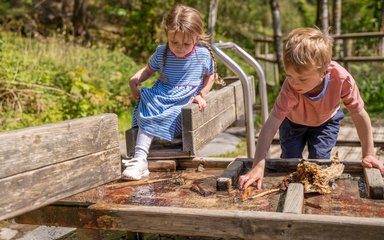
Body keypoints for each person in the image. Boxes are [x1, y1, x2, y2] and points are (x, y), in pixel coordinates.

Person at [238, 27, 384, 190]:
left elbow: (359, 114)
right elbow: (271, 123)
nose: (294, 83)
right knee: (290, 163)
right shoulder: (290, 88)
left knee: (319, 162)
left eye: (302, 78)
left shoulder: (341, 79)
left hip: (326, 122)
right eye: (289, 76)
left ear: (324, 71)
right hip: (292, 123)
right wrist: (258, 165)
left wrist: (369, 154)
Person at [122, 4, 221, 180]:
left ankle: (144, 153)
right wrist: (135, 79)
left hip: (184, 96)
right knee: (147, 106)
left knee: (176, 113)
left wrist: (201, 94)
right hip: (163, 93)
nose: (179, 47)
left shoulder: (202, 55)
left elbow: (210, 76)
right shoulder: (162, 52)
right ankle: (139, 160)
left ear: (196, 38)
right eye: (174, 42)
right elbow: (148, 70)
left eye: (186, 43)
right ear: (167, 34)